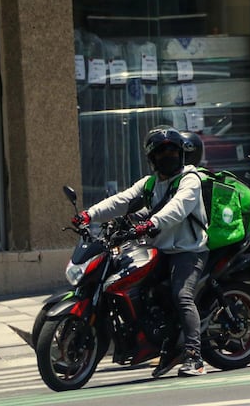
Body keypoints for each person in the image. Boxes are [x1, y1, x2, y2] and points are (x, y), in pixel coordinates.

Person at [75, 126, 208, 377]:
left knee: (182, 296)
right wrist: (88, 215)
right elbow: (121, 200)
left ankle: (194, 356)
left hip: (189, 251)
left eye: (172, 150)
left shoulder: (190, 179)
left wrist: (150, 223)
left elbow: (177, 209)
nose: (167, 155)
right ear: (152, 158)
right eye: (161, 152)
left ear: (180, 154)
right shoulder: (151, 183)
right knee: (136, 289)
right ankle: (159, 342)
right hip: (160, 250)